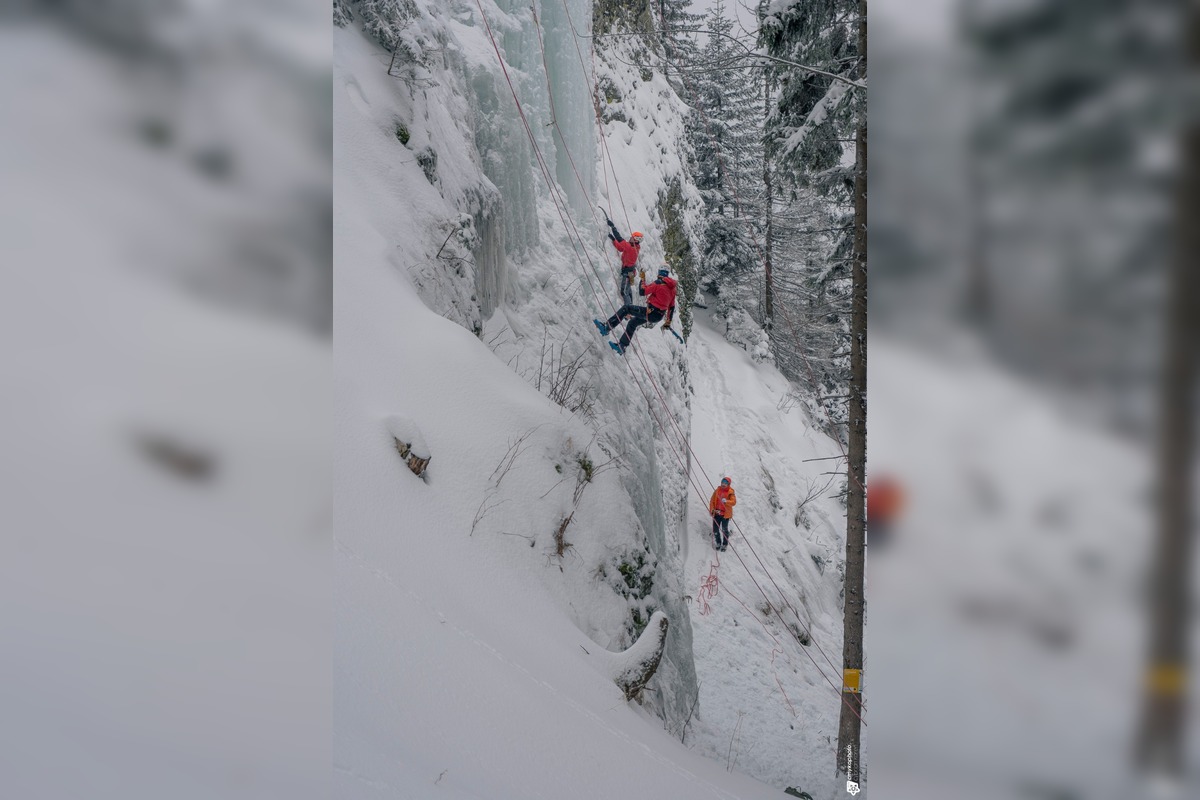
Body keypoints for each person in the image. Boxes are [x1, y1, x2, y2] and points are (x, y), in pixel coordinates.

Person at [593, 267, 677, 355]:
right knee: (632, 323)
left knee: (626, 308)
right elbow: (671, 307)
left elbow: (642, 291)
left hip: (650, 312)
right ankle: (622, 346)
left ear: (660, 272)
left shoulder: (659, 283)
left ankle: (606, 327)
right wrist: (668, 321)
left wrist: (642, 279)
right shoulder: (673, 289)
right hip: (657, 316)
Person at [605, 215, 642, 306]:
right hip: (631, 272)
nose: (630, 238)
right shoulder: (635, 247)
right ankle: (631, 307)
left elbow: (620, 239)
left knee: (624, 291)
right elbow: (621, 248)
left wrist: (613, 227)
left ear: (635, 239)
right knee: (628, 290)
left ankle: (628, 310)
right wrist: (613, 240)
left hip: (628, 273)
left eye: (632, 237)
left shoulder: (631, 248)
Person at [709, 476, 736, 551]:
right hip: (717, 513)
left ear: (728, 484)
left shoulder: (730, 492)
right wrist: (712, 510)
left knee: (724, 530)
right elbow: (712, 501)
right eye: (722, 482)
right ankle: (718, 542)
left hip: (725, 515)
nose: (723, 484)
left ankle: (724, 544)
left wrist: (726, 501)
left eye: (725, 483)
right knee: (715, 530)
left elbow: (734, 502)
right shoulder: (717, 490)